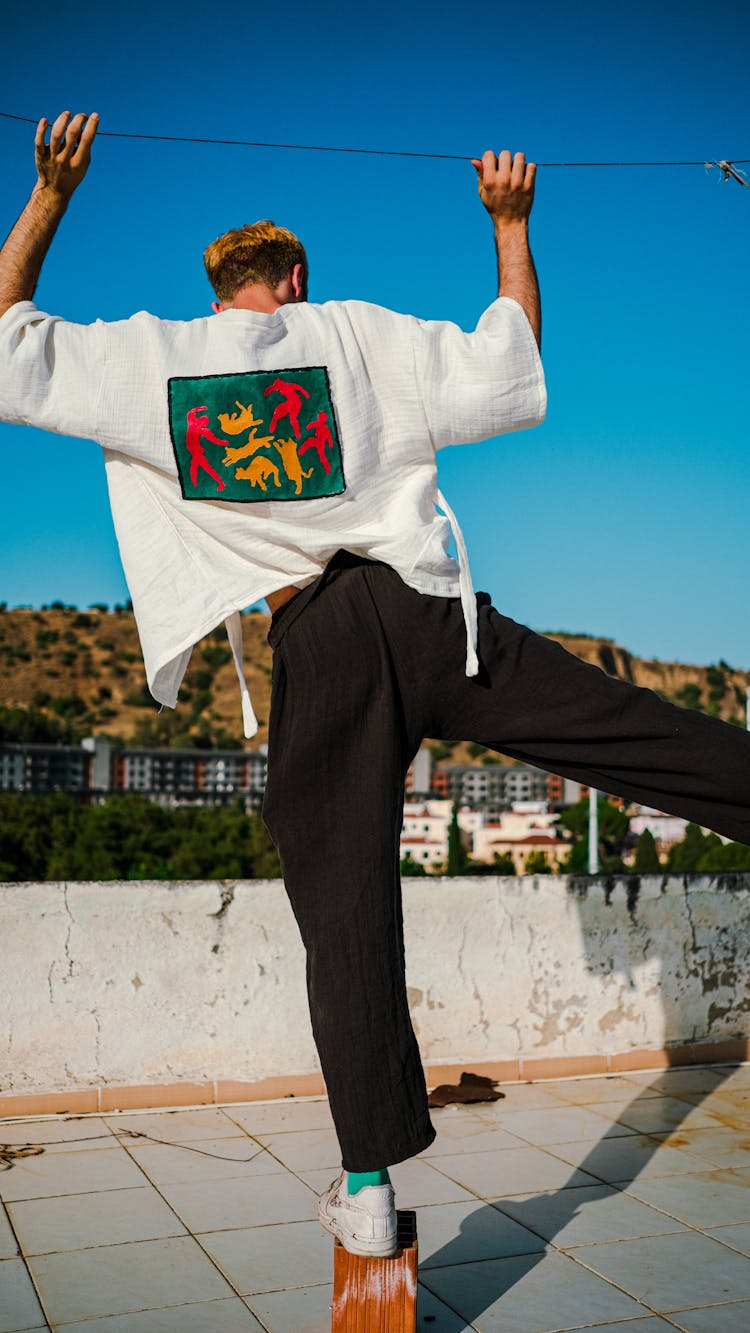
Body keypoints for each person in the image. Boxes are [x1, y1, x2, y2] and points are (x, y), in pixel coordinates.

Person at [1, 112, 749, 1260]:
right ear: (294, 279)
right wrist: (510, 225)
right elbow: (511, 373)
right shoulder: (354, 330)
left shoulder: (151, 358)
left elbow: (6, 338)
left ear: (216, 290)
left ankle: (366, 1186)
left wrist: (50, 196)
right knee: (628, 729)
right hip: (430, 611)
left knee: (342, 903)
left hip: (325, 644)